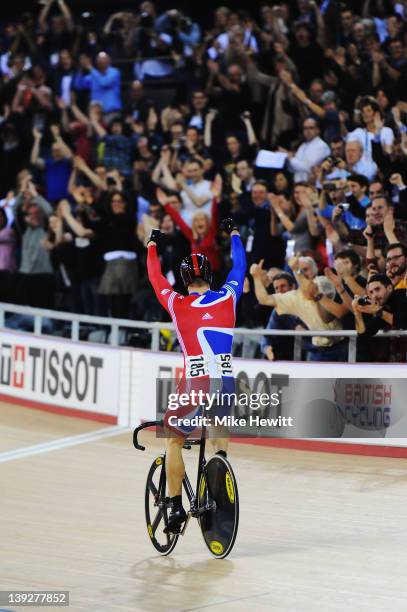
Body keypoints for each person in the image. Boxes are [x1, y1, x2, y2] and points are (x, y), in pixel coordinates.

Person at [146, 217, 246, 532]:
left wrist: (152, 246)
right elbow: (240, 266)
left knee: (173, 439)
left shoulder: (177, 303)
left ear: (185, 279)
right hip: (226, 382)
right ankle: (219, 475)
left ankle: (174, 507)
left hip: (196, 382)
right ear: (210, 275)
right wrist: (234, 233)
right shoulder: (229, 297)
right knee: (218, 441)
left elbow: (155, 277)